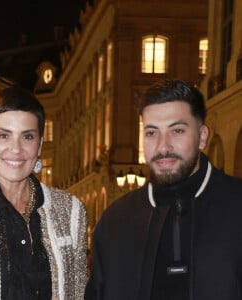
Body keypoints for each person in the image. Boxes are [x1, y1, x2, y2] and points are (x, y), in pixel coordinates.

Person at [85, 79, 242, 300]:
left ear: (202, 137)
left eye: (177, 130)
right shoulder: (115, 221)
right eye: (151, 132)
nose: (163, 146)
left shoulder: (237, 206)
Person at [0, 87, 87, 300]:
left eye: (27, 136)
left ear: (39, 145)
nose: (16, 149)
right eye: (4, 136)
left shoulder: (71, 212)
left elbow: (78, 293)